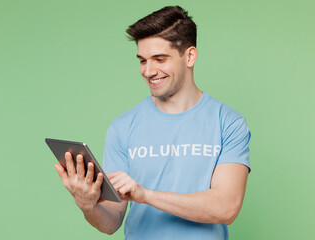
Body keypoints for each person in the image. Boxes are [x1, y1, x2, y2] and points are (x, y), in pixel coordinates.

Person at [54, 5, 251, 240]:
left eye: (159, 59)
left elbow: (226, 208)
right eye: (142, 60)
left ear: (189, 56)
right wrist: (88, 205)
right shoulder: (122, 127)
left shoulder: (228, 123)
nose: (148, 71)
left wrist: (145, 195)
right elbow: (110, 223)